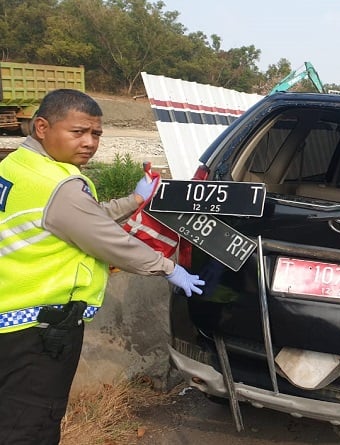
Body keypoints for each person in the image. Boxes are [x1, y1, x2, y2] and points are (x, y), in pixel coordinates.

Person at [0, 89, 204, 444]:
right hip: (38, 330)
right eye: (78, 132)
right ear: (42, 127)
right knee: (29, 425)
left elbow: (80, 217)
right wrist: (168, 268)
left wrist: (135, 199)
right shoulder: (58, 185)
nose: (89, 143)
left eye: (96, 134)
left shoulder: (18, 166)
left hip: (10, 317)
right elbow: (111, 242)